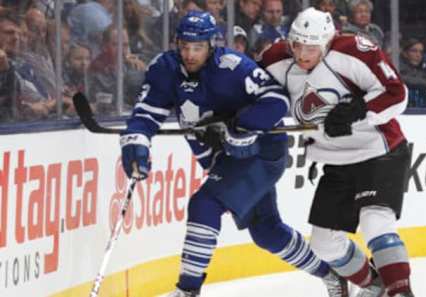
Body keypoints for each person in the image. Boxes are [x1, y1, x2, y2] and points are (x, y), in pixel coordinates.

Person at [120, 10, 348, 297]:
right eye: (185, 46)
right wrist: (136, 143)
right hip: (222, 159)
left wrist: (239, 127)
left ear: (211, 45)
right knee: (266, 230)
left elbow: (276, 100)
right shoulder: (164, 68)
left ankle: (187, 290)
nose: (190, 54)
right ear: (176, 43)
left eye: (198, 47)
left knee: (205, 204)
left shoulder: (232, 66)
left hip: (260, 153)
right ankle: (331, 276)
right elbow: (146, 113)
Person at [260, 8, 414, 297]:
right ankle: (376, 285)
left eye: (311, 47)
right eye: (298, 45)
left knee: (375, 221)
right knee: (323, 243)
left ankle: (400, 291)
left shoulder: (354, 52)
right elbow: (246, 89)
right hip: (335, 161)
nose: (303, 54)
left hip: (378, 150)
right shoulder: (276, 59)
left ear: (327, 42)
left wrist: (359, 109)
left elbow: (397, 93)